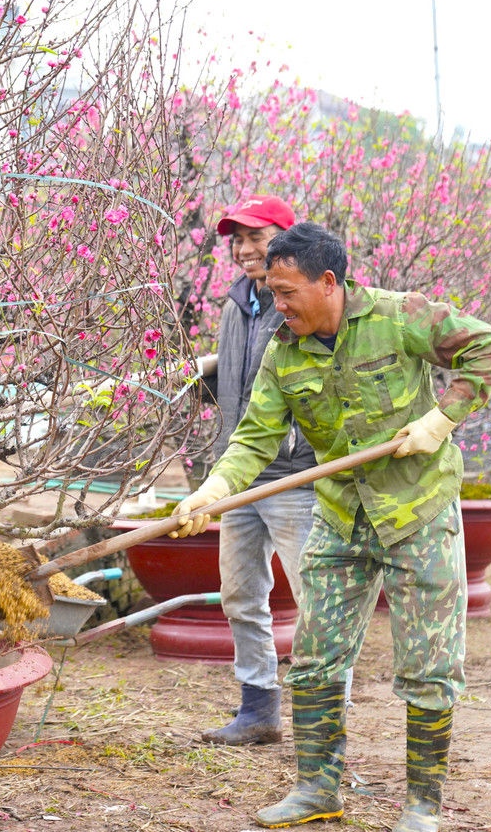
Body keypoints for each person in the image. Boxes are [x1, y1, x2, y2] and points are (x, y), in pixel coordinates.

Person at [172, 222, 491, 832]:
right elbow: (254, 438)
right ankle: (316, 789)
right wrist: (216, 489)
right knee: (315, 657)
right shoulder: (285, 350)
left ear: (328, 282)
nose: (276, 304)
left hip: (418, 511)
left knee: (429, 665)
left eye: (287, 291)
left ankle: (421, 805)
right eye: (271, 293)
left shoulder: (399, 317)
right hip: (339, 512)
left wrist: (442, 417)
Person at [190, 195, 320, 746]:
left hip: (295, 476)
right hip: (238, 473)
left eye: (256, 236)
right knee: (241, 595)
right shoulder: (235, 303)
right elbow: (243, 382)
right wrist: (205, 373)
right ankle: (258, 709)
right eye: (236, 239)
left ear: (285, 240)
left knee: (317, 600)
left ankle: (320, 717)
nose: (245, 249)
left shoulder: (301, 303)